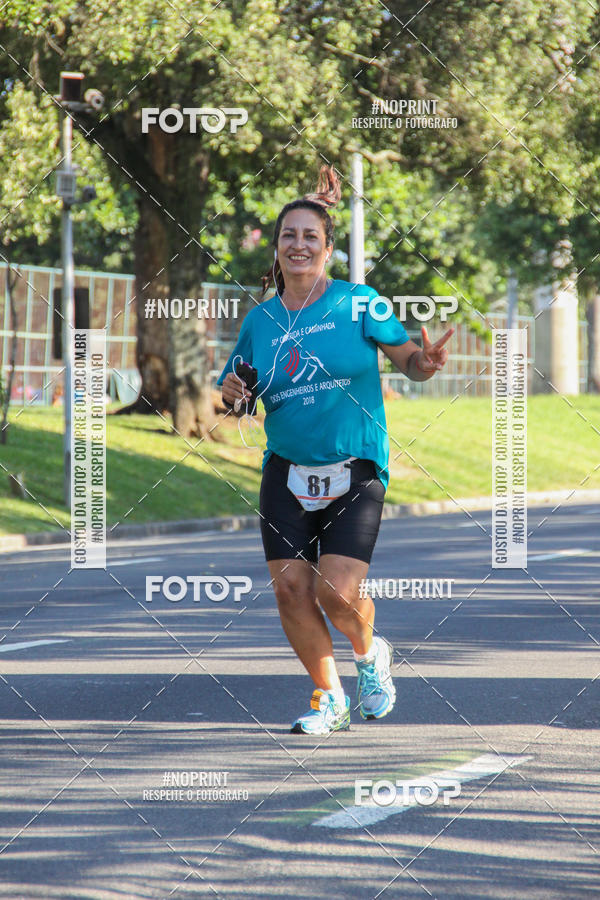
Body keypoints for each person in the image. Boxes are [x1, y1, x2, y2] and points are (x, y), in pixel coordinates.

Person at [218, 165, 453, 735]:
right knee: (291, 588)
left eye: (311, 237)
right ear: (277, 249)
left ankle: (371, 655)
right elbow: (236, 390)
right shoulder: (260, 321)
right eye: (289, 236)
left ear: (328, 249)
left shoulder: (361, 303)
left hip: (356, 465)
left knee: (336, 591)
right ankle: (329, 697)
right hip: (286, 469)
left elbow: (411, 366)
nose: (300, 245)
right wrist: (231, 392)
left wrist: (426, 362)